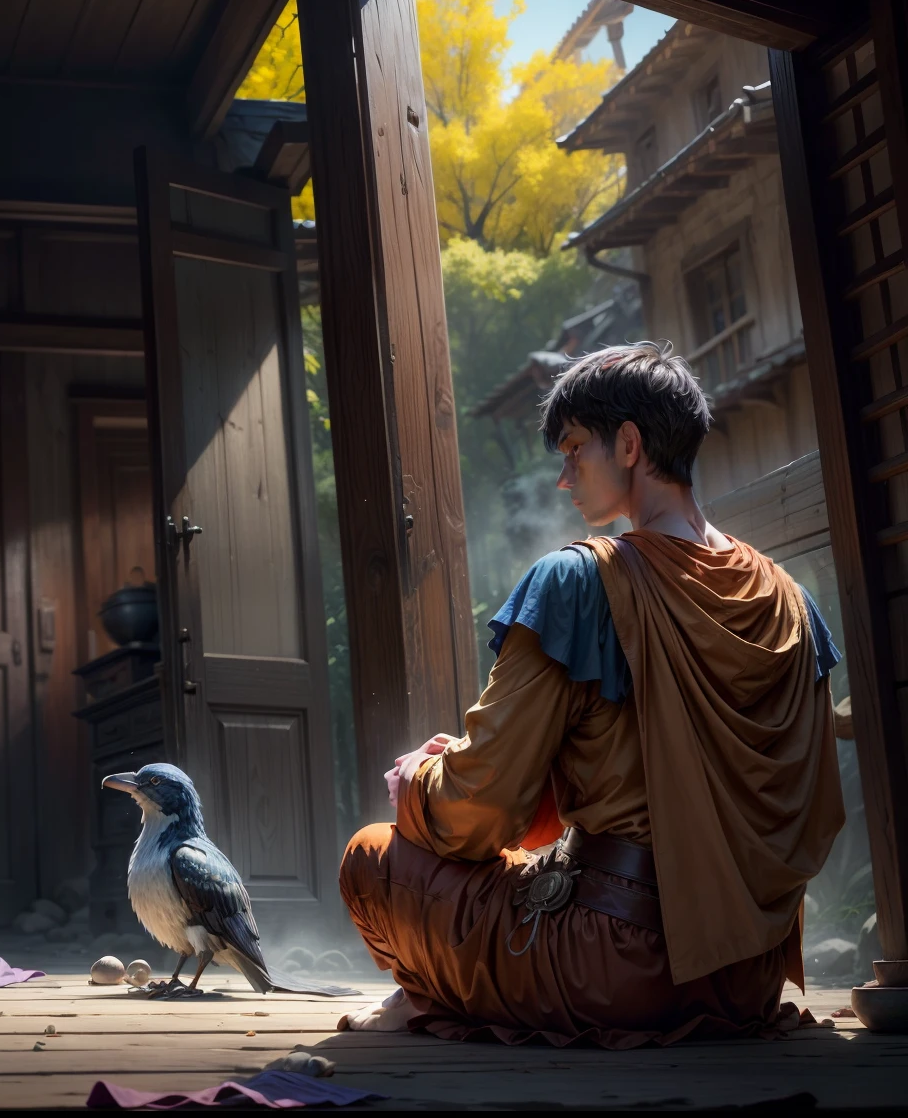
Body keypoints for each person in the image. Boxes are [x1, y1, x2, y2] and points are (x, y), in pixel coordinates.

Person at [338, 343, 843, 1046]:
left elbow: (480, 810)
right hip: (746, 979)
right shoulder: (792, 603)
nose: (562, 477)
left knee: (371, 857)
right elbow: (807, 810)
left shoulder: (580, 581)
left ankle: (428, 996)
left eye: (574, 448)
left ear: (630, 445)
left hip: (616, 962)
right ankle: (439, 998)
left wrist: (419, 779)